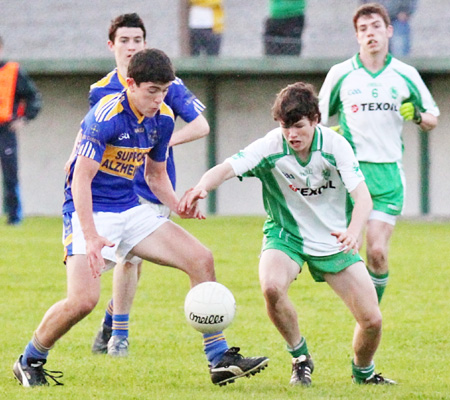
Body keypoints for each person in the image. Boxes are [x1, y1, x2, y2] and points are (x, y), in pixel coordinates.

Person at [13, 48, 269, 387]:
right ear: (130, 84)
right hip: (88, 210)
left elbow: (155, 175)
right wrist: (90, 236)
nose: (159, 99)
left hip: (130, 208)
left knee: (200, 259)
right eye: (152, 90)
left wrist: (177, 206)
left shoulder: (161, 119)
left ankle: (218, 358)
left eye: (164, 91)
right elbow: (80, 180)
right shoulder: (105, 116)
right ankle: (30, 360)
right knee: (83, 301)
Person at [179, 81, 395, 386]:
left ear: (316, 120)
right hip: (286, 234)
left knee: (372, 320)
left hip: (334, 239)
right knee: (271, 287)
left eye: (299, 126)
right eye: (285, 126)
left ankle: (364, 373)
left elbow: (363, 197)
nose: (292, 134)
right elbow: (226, 168)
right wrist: (202, 187)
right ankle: (300, 358)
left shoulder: (336, 147)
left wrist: (353, 231)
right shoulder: (271, 146)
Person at [65, 13, 210, 357]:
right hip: (113, 187)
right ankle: (114, 331)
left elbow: (200, 126)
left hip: (154, 179)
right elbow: (92, 136)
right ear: (112, 46)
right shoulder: (101, 90)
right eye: (125, 41)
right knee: (117, 263)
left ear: (146, 44)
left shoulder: (163, 81)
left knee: (139, 259)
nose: (132, 47)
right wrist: (74, 157)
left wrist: (158, 142)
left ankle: (117, 330)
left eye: (138, 40)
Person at [318, 3, 439, 303]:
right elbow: (317, 120)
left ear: (388, 31)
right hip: (350, 175)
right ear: (357, 36)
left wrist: (416, 115)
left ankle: (371, 317)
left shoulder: (404, 74)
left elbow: (432, 118)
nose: (370, 34)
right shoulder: (341, 74)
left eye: (375, 27)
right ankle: (364, 312)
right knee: (341, 254)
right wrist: (329, 137)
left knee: (376, 251)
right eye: (363, 29)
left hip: (387, 177)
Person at [0, 35, 41, 225]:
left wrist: (23, 119)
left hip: (6, 129)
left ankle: (14, 216)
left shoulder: (14, 72)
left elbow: (34, 98)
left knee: (10, 173)